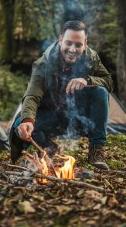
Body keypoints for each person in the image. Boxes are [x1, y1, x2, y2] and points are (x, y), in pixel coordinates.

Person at [12, 20, 113, 166]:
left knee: (100, 92)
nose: (72, 49)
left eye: (78, 45)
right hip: (52, 117)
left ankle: (96, 151)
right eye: (68, 43)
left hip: (79, 118)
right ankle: (48, 148)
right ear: (60, 40)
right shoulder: (44, 63)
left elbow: (109, 82)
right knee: (18, 124)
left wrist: (88, 80)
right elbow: (32, 95)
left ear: (85, 43)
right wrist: (27, 120)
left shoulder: (91, 58)